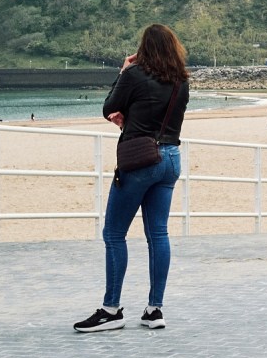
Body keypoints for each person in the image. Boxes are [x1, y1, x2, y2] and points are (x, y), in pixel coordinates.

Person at [74, 24, 190, 333]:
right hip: (171, 159)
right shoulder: (181, 82)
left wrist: (124, 71)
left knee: (114, 234)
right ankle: (155, 309)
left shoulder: (135, 76)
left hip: (140, 160)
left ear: (144, 49)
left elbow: (109, 106)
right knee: (158, 234)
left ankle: (111, 309)